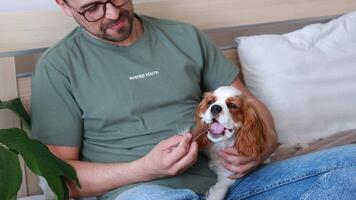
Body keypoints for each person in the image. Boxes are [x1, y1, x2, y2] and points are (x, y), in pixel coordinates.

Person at [31, 0, 356, 199]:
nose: (113, 12)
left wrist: (262, 149)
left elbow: (251, 104)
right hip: (148, 192)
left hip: (234, 183)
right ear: (63, 4)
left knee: (350, 163)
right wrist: (142, 169)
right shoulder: (59, 66)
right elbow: (59, 178)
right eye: (92, 8)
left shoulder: (184, 36)